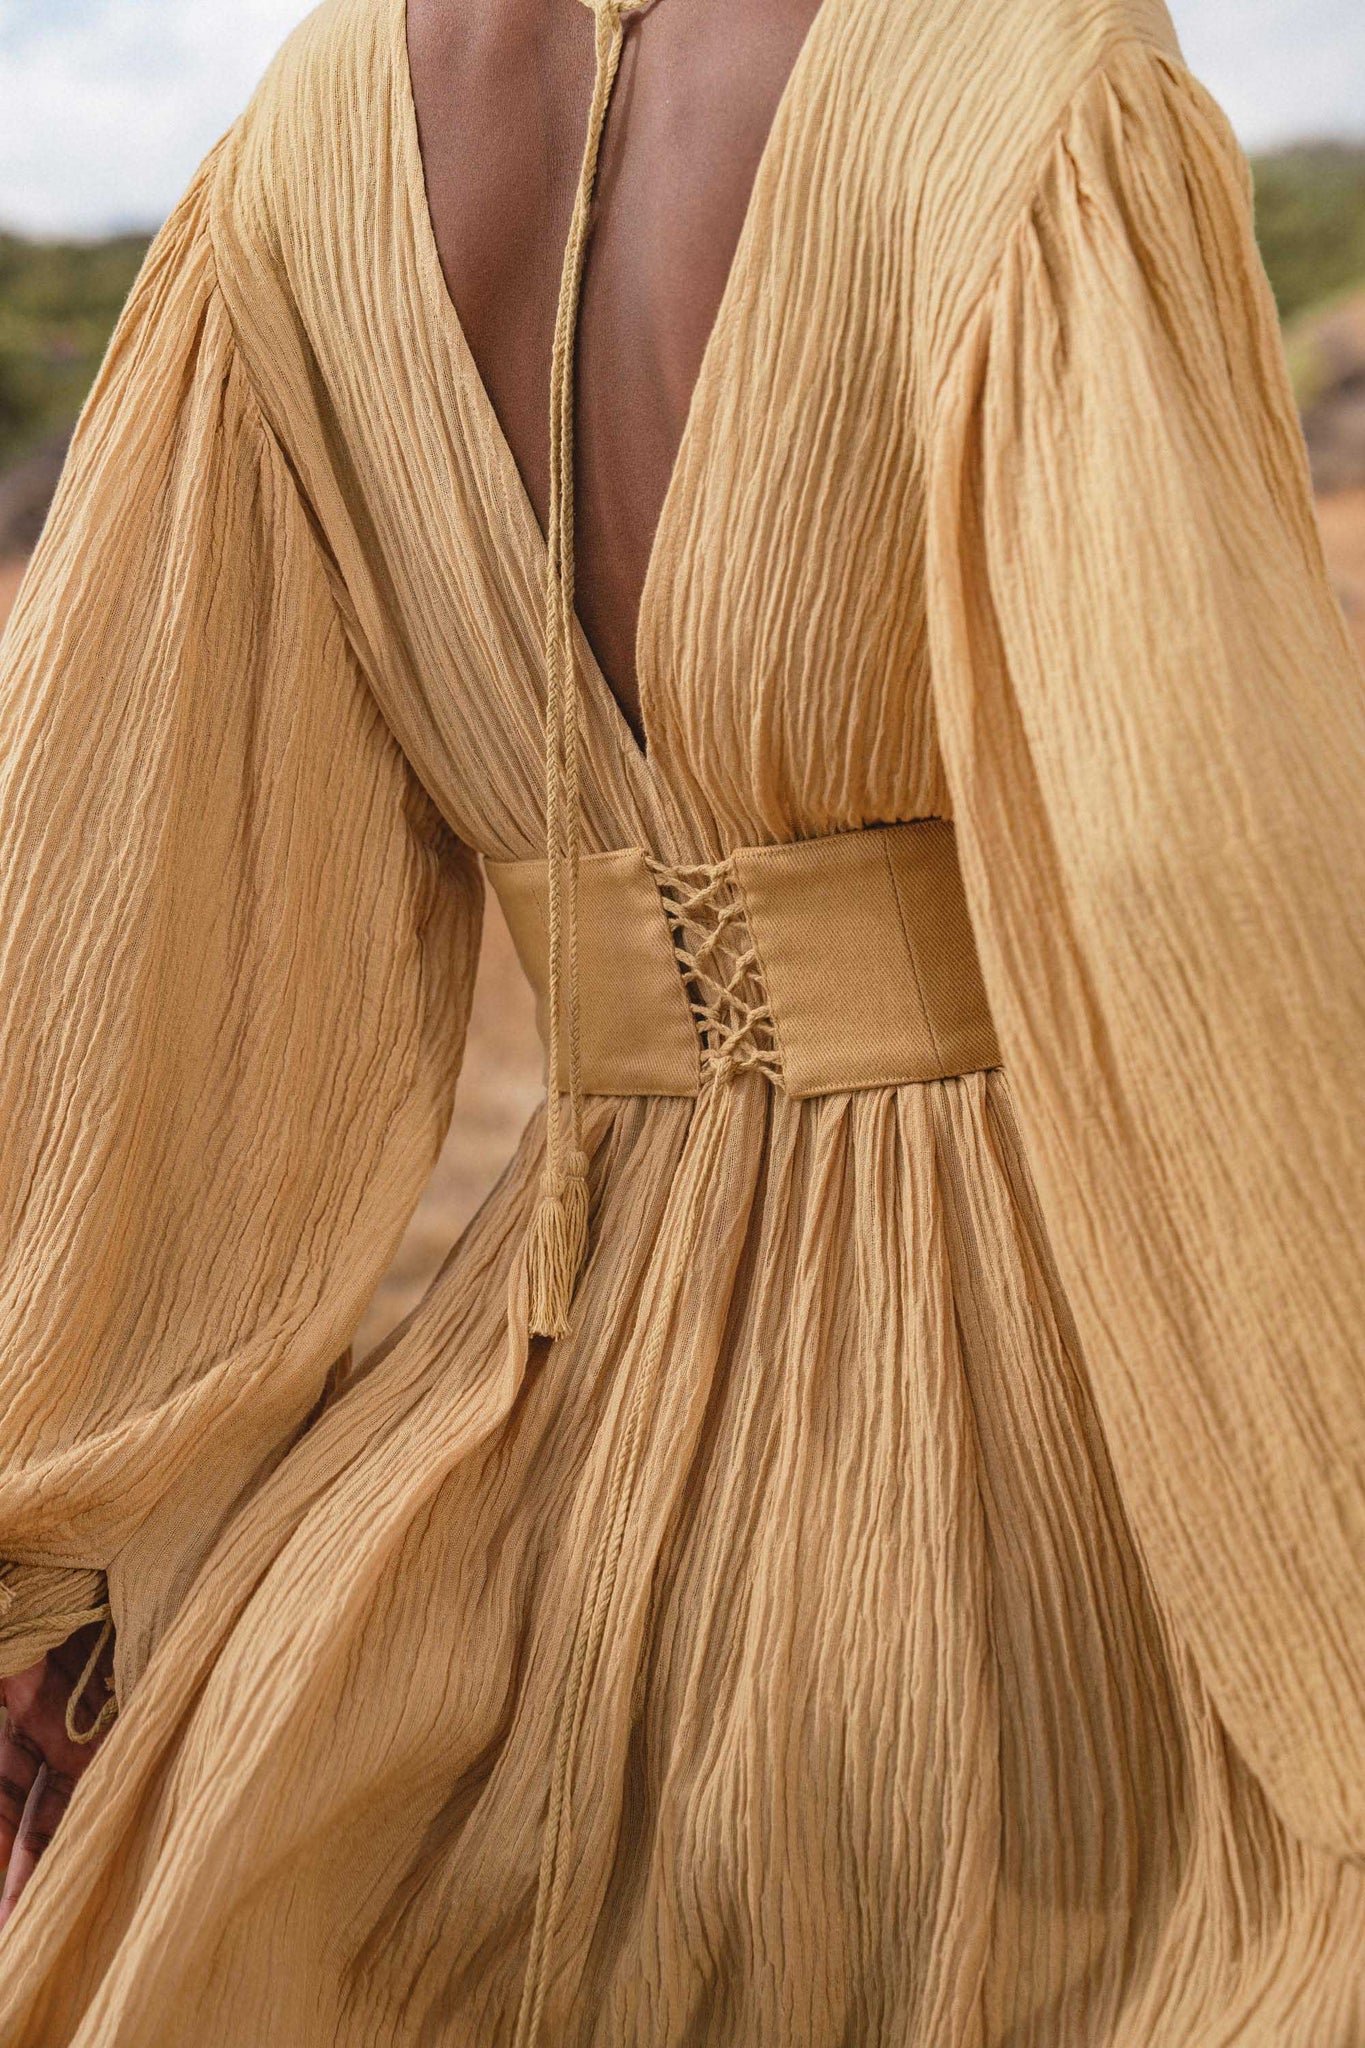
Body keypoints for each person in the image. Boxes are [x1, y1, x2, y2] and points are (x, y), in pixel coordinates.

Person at [0, 0, 1362, 2037]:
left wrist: (47, 1541)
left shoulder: (309, 148)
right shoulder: (1018, 68)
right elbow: (1196, 872)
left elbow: (115, 894)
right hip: (1042, 1421)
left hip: (544, 1393)